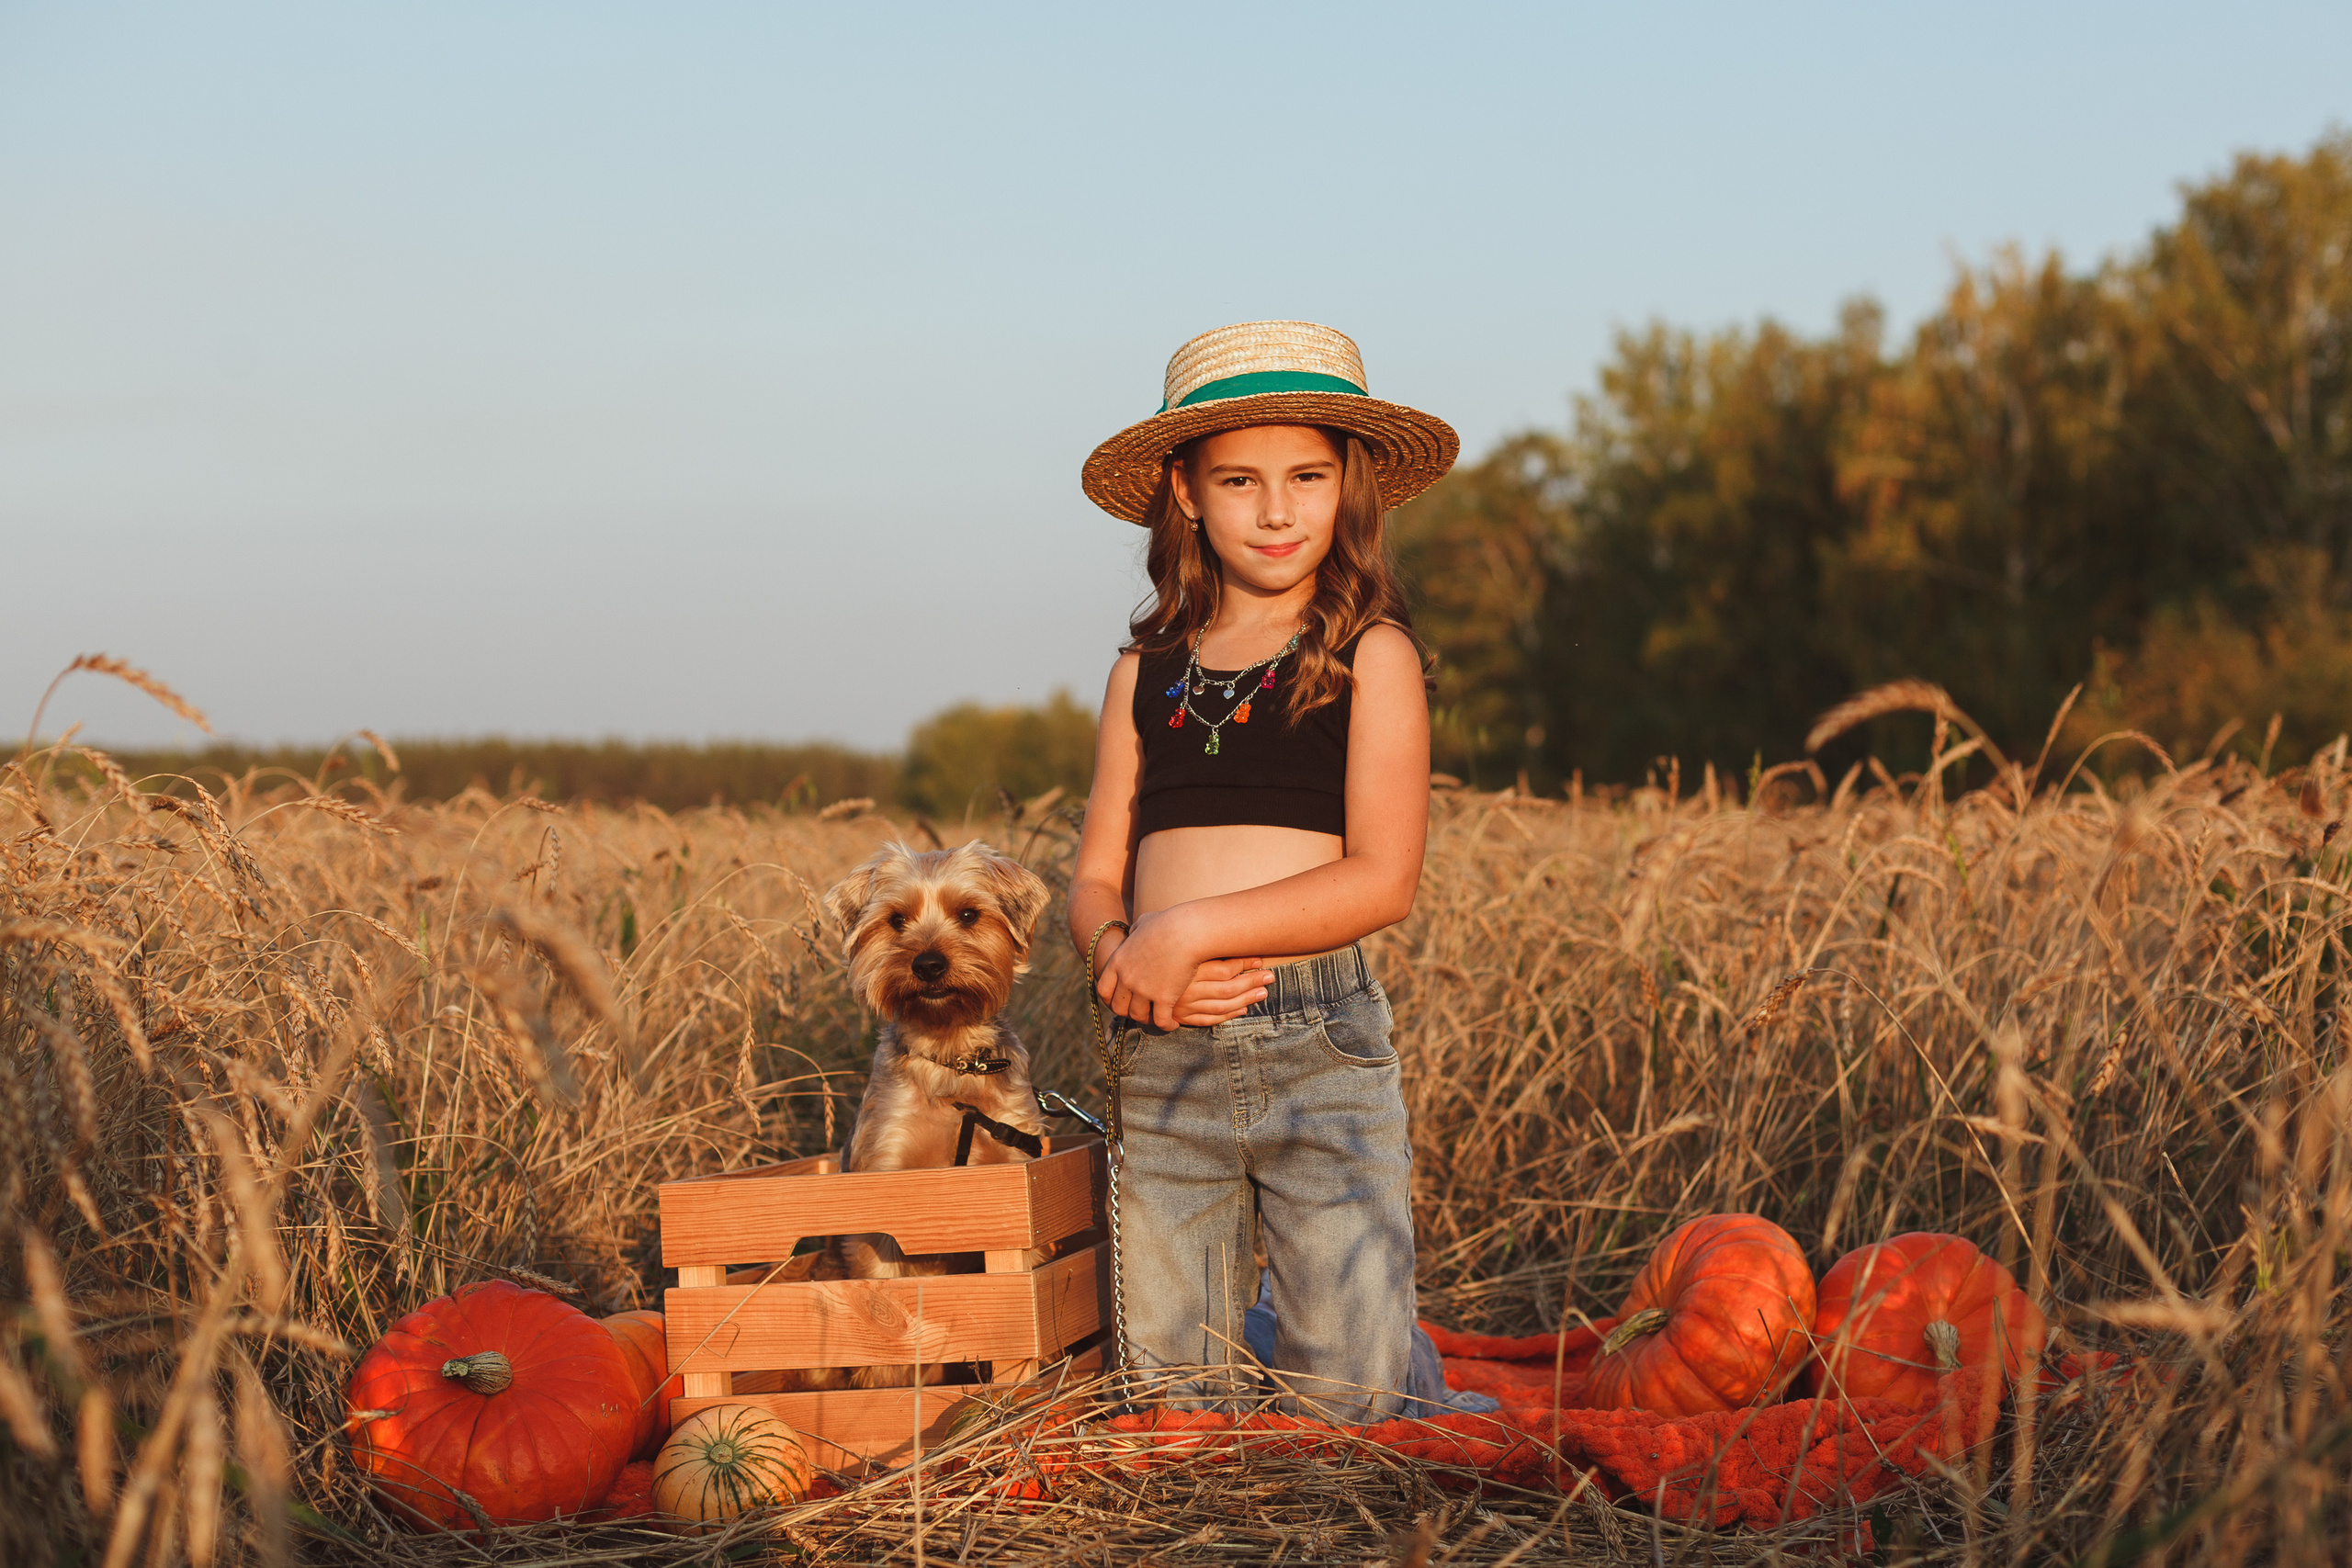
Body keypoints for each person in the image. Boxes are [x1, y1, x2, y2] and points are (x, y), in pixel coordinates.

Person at [1069, 320, 1484, 1424]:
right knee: (1170, 1400)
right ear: (1185, 493)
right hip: (1165, 1053)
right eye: (1239, 480)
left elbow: (1382, 879)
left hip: (1318, 1048)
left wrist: (1190, 930)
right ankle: (1273, 1346)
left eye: (1305, 476)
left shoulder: (1370, 655)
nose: (1275, 509)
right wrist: (1124, 953)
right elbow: (1097, 877)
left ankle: (1381, 1353)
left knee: (1345, 1409)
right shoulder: (1142, 675)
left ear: (1347, 487)